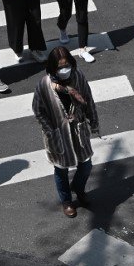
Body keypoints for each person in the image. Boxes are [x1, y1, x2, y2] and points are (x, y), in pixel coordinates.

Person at [31, 47, 100, 218]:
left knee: (86, 165)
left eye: (67, 65)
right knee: (61, 170)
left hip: (78, 130)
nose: (64, 70)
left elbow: (88, 100)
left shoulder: (78, 77)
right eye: (60, 67)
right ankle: (67, 201)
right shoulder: (44, 85)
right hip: (58, 135)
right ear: (53, 68)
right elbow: (38, 110)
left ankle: (78, 188)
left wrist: (94, 122)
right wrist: (50, 131)